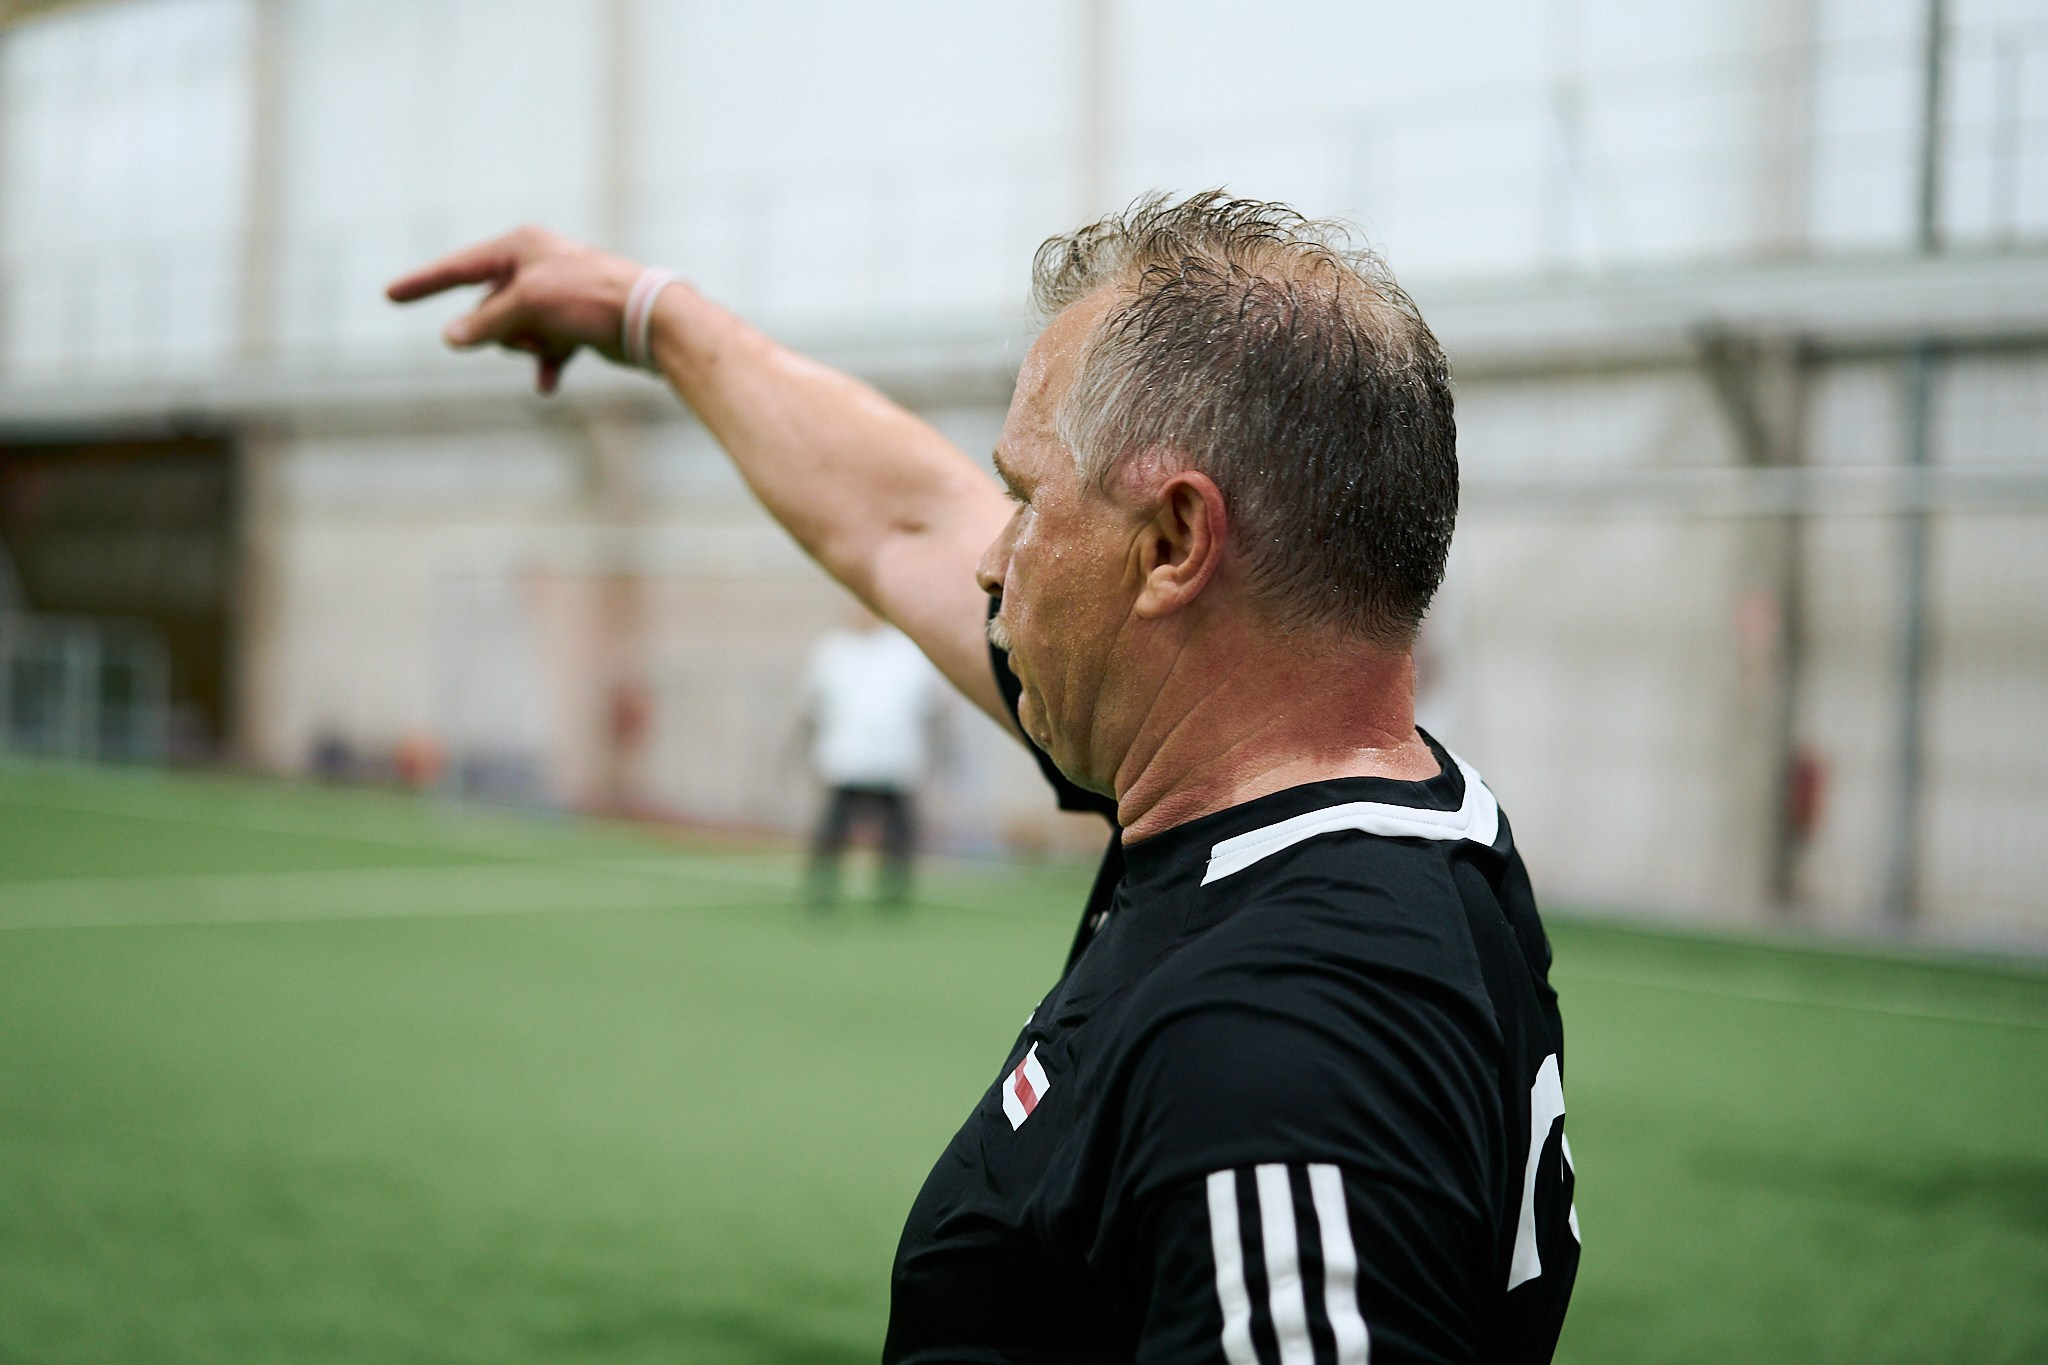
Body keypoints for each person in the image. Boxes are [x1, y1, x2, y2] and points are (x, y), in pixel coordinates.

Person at [388, 192, 1578, 1364]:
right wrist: (651, 314)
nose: (991, 559)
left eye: (1023, 499)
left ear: (1172, 544)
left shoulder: (1283, 1041)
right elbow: (899, 523)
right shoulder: (1338, 804)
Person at [800, 605, 943, 910]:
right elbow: (812, 705)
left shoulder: (906, 652)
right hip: (846, 756)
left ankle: (894, 895)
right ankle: (821, 891)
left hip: (894, 757)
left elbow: (931, 705)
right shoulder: (833, 650)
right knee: (833, 829)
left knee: (898, 832)